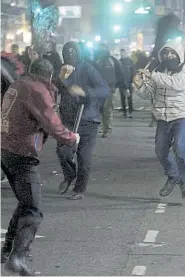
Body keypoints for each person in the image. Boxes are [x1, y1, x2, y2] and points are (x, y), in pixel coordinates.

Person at [1, 58, 79, 275]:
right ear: (50, 76)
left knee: (25, 200)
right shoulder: (37, 90)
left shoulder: (19, 84)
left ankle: (7, 249)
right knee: (33, 209)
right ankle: (19, 256)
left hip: (6, 149)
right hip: (21, 153)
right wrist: (72, 138)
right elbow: (51, 122)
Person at [133, 39, 185, 198]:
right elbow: (150, 94)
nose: (168, 55)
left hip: (183, 114)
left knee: (180, 147)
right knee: (160, 151)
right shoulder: (158, 71)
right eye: (165, 53)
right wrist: (139, 85)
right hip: (163, 116)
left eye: (172, 52)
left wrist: (152, 75)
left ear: (178, 53)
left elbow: (177, 83)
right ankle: (173, 175)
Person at [57, 41, 109, 199]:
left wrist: (85, 92)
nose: (70, 56)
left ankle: (79, 189)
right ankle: (69, 175)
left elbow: (104, 89)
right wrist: (61, 79)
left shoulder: (88, 68)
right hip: (68, 121)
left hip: (88, 120)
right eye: (66, 54)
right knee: (63, 152)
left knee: (84, 158)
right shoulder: (62, 70)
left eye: (73, 53)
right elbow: (53, 90)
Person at [94, 43, 127, 137]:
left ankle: (107, 129)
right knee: (99, 109)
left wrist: (124, 87)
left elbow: (120, 74)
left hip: (109, 89)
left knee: (107, 109)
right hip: (98, 89)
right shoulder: (96, 61)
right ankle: (103, 128)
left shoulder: (112, 61)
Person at [120, 49, 135, 118]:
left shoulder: (130, 61)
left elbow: (133, 72)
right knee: (122, 98)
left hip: (129, 82)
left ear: (126, 53)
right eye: (121, 53)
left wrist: (133, 82)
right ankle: (124, 112)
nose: (122, 54)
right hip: (122, 83)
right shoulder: (119, 61)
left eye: (123, 53)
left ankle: (130, 112)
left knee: (129, 98)